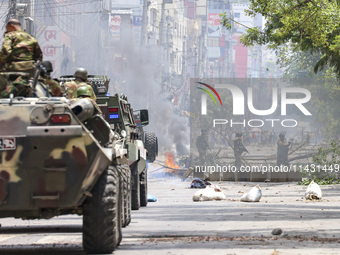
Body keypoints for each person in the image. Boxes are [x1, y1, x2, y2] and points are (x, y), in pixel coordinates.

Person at [0, 19, 42, 98]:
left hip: (13, 68)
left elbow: (6, 51)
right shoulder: (31, 38)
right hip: (30, 69)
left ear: (12, 26)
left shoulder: (10, 35)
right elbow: (39, 57)